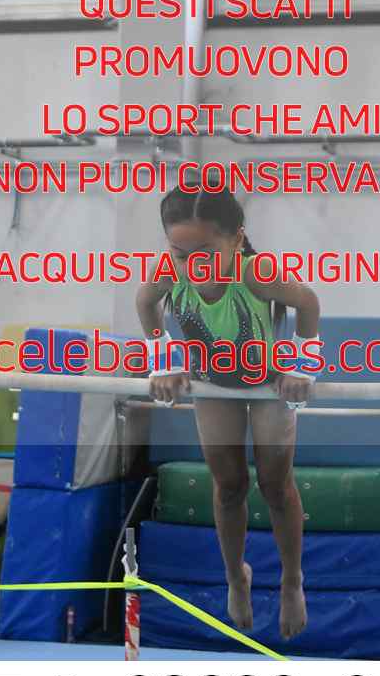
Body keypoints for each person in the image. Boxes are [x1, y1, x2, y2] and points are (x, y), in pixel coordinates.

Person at [136, 183, 322, 640]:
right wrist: (164, 360)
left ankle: (292, 580)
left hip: (268, 384)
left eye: (204, 253)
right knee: (229, 486)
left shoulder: (257, 273)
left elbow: (308, 302)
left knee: (275, 485)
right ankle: (236, 576)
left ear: (237, 239)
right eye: (180, 254)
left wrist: (301, 365)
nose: (192, 265)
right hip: (214, 385)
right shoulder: (169, 270)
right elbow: (144, 302)